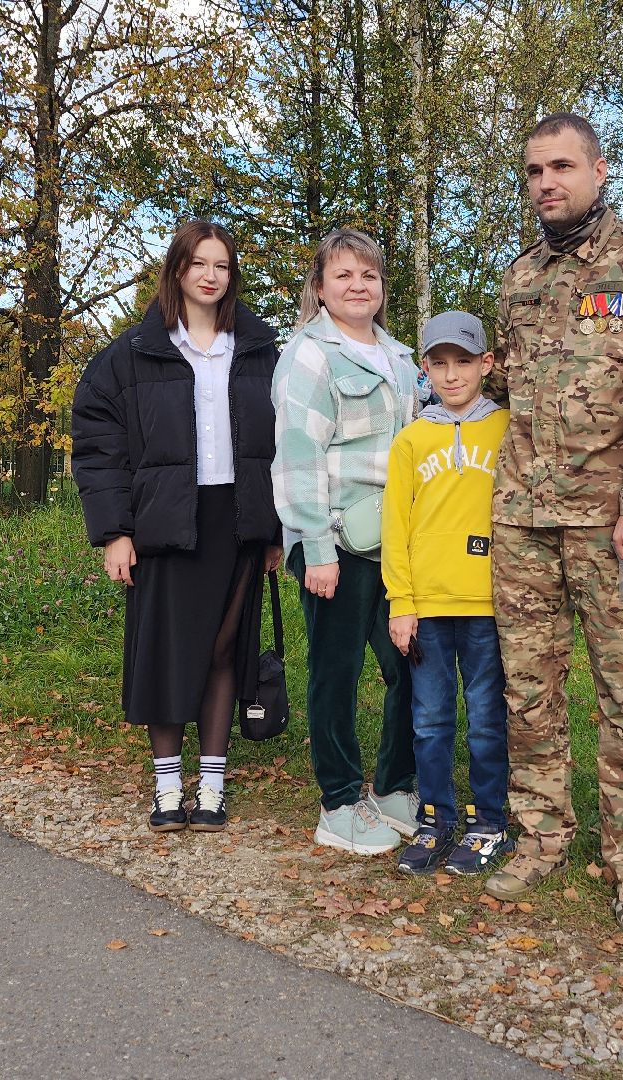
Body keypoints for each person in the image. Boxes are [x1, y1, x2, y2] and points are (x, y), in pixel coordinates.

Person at [484, 112, 623, 931]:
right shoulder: (519, 276)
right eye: (535, 171)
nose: (547, 183)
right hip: (523, 517)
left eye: (562, 167)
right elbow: (508, 387)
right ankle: (541, 835)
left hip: (616, 523)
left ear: (599, 171)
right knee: (528, 691)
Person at [71, 220, 285, 835]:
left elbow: (283, 444)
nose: (210, 276)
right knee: (165, 653)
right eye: (199, 264)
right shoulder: (136, 351)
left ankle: (211, 786)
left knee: (222, 650)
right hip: (162, 520)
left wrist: (274, 529)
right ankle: (168, 787)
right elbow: (97, 442)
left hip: (236, 521)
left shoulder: (258, 349)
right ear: (177, 270)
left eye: (222, 265)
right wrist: (115, 532)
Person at [271, 228, 422, 856]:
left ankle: (394, 786)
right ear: (320, 287)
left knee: (410, 666)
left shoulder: (402, 358)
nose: (358, 286)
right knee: (336, 673)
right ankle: (338, 803)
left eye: (369, 275)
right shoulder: (308, 355)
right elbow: (297, 454)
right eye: (343, 275)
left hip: (397, 541)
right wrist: (316, 546)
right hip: (334, 539)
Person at [382, 312, 514, 876]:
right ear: (425, 368)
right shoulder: (412, 439)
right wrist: (401, 602)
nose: (452, 375)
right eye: (439, 364)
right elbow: (396, 526)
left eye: (464, 362)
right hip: (428, 608)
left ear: (487, 363)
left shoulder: (507, 428)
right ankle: (435, 818)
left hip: (489, 604)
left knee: (486, 718)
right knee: (430, 720)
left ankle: (490, 823)